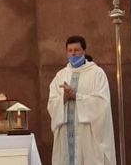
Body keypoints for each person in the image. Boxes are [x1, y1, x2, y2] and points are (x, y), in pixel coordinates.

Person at [48, 35, 116, 165]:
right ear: (66, 52)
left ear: (84, 51)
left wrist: (76, 96)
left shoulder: (97, 73)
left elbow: (102, 104)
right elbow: (51, 103)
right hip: (65, 133)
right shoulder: (61, 75)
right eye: (70, 50)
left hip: (87, 135)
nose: (73, 53)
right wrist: (63, 98)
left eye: (77, 50)